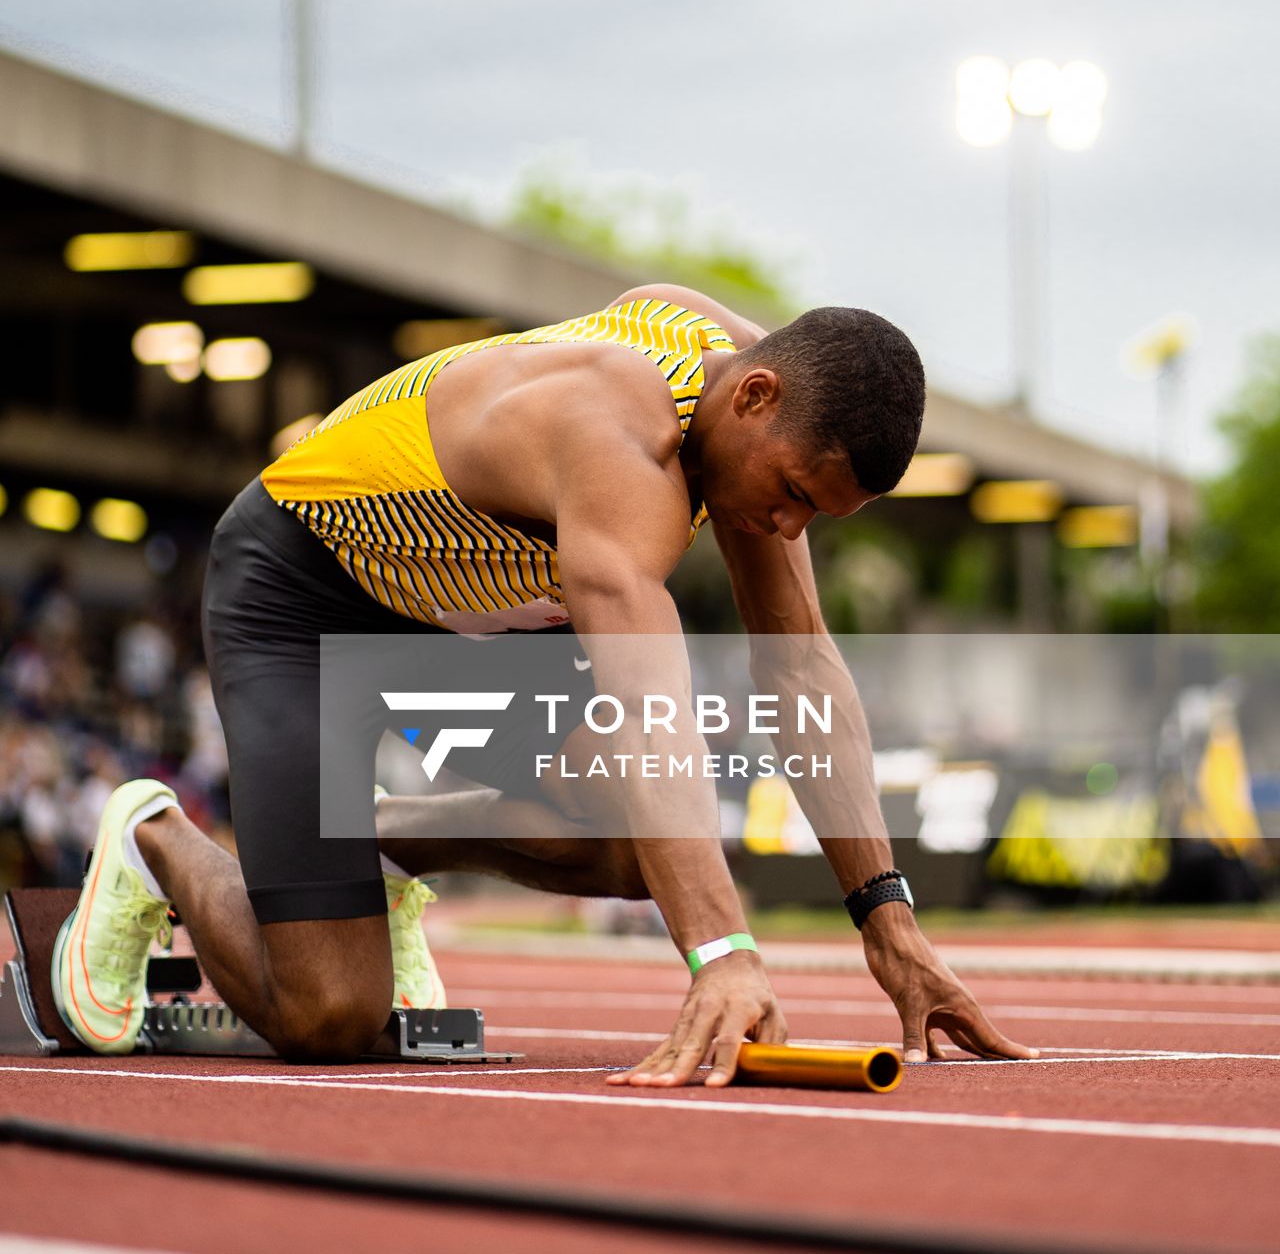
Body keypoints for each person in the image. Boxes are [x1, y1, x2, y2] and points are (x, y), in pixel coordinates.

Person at [53, 287, 1034, 1077]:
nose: (787, 530)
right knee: (329, 1018)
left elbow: (804, 670)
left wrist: (889, 925)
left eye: (815, 515)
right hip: (304, 601)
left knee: (639, 849)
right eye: (789, 497)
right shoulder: (617, 441)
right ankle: (153, 839)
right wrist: (721, 957)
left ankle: (373, 851)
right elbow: (653, 716)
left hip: (456, 626)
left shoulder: (753, 401)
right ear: (755, 397)